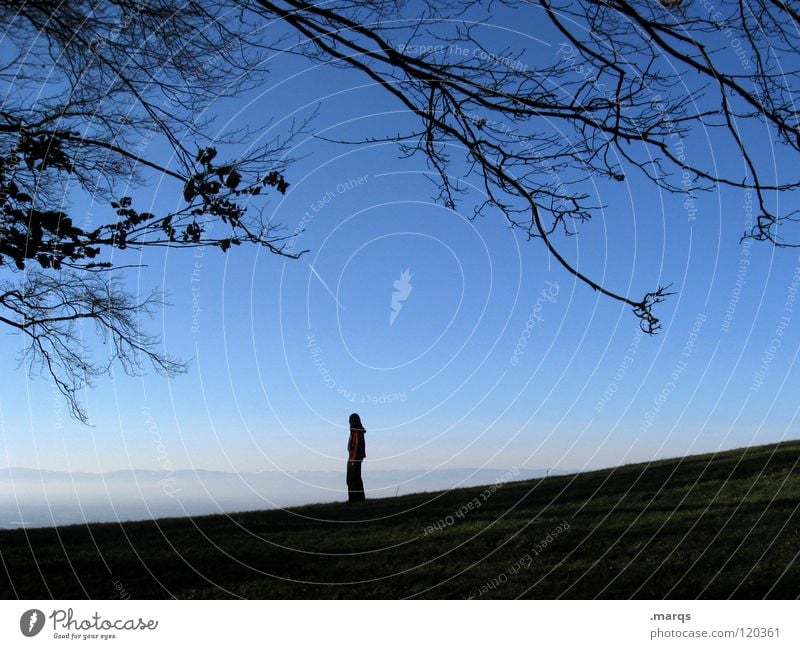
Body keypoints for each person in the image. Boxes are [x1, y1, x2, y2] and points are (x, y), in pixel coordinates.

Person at [346, 413, 366, 502]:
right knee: (351, 479)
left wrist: (354, 460)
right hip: (352, 457)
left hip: (354, 458)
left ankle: (357, 499)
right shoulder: (355, 431)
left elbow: (358, 446)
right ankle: (355, 498)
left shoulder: (357, 431)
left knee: (354, 479)